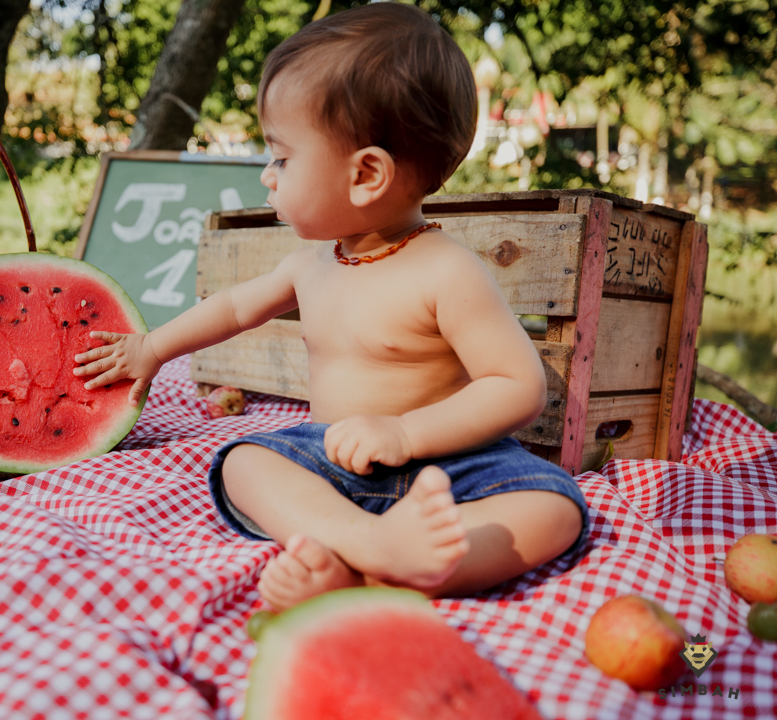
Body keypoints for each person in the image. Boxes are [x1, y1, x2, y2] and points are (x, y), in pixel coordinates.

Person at [73, 3, 588, 610]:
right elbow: (235, 308)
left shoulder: (448, 271)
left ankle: (393, 568)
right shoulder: (311, 263)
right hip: (330, 458)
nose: (268, 176)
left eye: (283, 158)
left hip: (454, 466)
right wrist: (151, 348)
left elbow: (517, 387)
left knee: (554, 509)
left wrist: (404, 432)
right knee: (244, 463)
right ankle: (370, 546)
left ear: (366, 174)